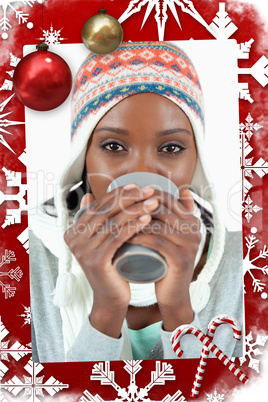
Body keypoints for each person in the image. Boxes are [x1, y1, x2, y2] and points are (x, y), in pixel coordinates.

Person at [29, 41, 243, 363]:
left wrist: (179, 309)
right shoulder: (27, 260)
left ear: (196, 163)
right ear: (83, 159)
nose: (141, 174)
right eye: (114, 146)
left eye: (171, 148)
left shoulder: (246, 267)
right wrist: (105, 311)